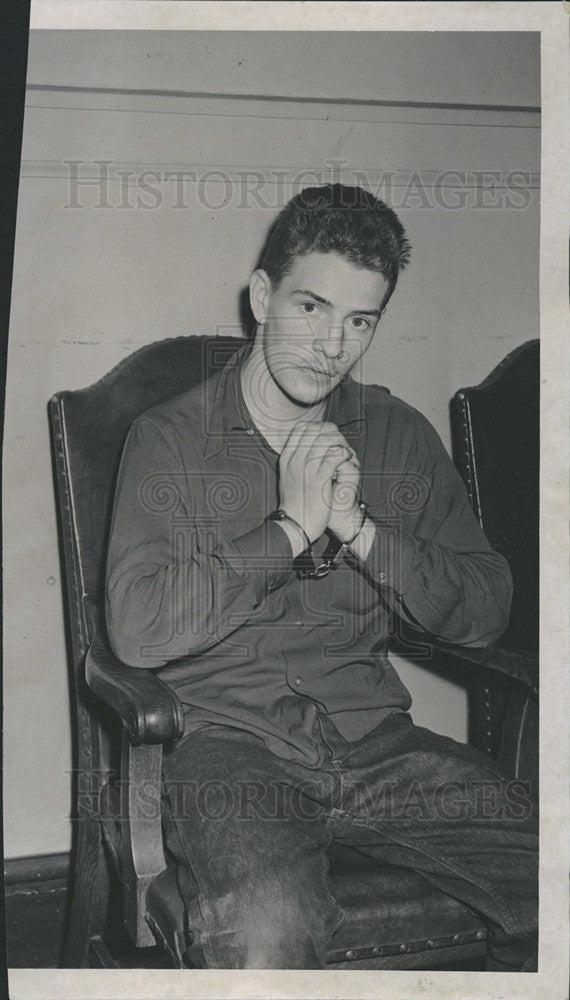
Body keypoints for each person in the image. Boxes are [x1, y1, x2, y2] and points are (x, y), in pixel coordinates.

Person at [105, 184, 538, 970]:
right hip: (231, 752)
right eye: (312, 307)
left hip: (378, 743)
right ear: (264, 295)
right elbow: (138, 629)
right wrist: (292, 529)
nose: (333, 344)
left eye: (360, 320)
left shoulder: (397, 435)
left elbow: (486, 606)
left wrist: (363, 534)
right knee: (268, 924)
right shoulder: (168, 439)